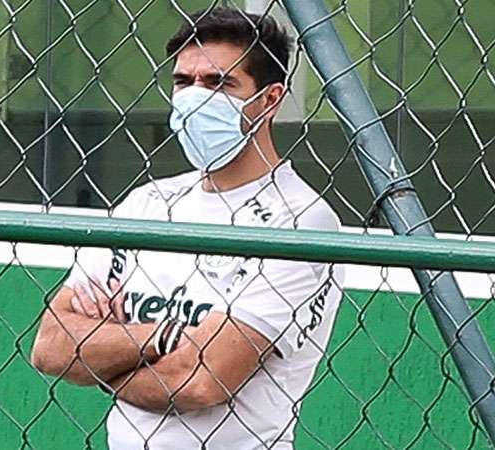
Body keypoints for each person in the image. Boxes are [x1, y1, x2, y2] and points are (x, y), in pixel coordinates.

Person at [30, 6, 344, 450]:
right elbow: (51, 345)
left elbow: (199, 381)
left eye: (219, 83)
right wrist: (165, 337)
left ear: (270, 99)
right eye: (183, 82)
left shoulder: (301, 221)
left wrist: (104, 362)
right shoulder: (147, 204)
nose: (196, 97)